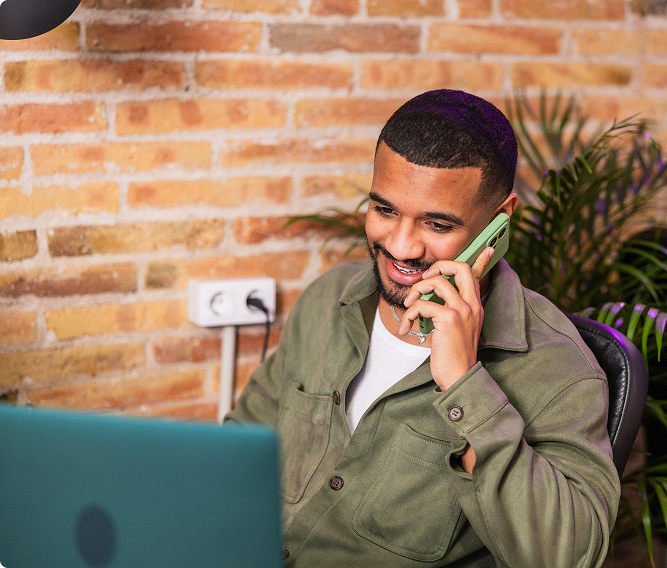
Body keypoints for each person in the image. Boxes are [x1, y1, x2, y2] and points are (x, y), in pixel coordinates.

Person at [226, 89, 620, 567]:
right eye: (385, 210)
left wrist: (464, 383)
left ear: (499, 222)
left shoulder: (559, 370)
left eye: (436, 224)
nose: (401, 247)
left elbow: (568, 557)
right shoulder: (330, 298)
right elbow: (241, 449)